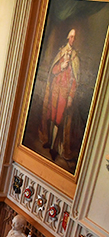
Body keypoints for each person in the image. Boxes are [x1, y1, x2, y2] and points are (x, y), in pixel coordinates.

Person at [39, 28, 80, 161]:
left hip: (64, 94)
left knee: (59, 119)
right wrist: (61, 66)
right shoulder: (61, 52)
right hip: (55, 91)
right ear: (68, 37)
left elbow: (75, 81)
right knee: (51, 115)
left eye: (75, 37)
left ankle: (55, 147)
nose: (72, 40)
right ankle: (49, 142)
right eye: (71, 37)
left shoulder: (75, 57)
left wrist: (70, 97)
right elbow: (53, 71)